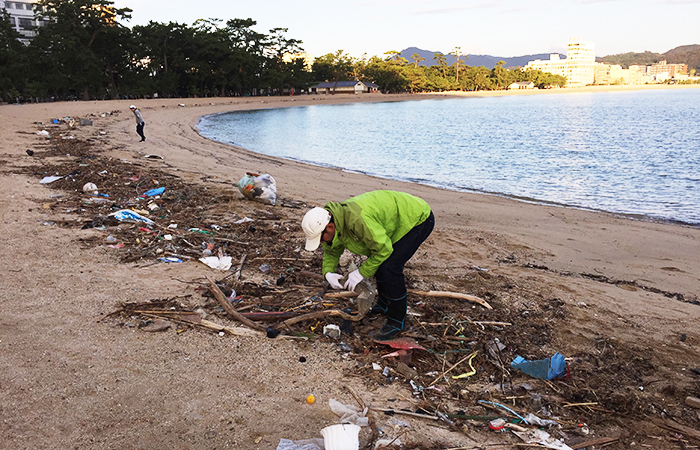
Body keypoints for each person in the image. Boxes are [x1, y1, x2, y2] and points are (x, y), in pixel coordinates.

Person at [302, 190, 435, 340]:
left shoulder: (358, 220)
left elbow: (383, 250)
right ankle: (384, 304)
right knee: (380, 265)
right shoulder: (336, 224)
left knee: (390, 268)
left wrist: (360, 273)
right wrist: (328, 273)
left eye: (320, 239)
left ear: (330, 227)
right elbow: (331, 252)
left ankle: (397, 320)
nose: (321, 243)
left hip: (416, 219)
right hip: (392, 224)